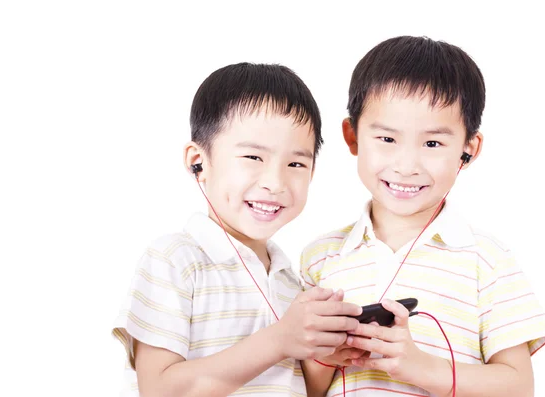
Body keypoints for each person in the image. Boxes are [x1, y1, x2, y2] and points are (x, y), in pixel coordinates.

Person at [300, 36, 545, 397]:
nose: (406, 166)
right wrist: (325, 357)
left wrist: (421, 367)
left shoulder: (487, 259)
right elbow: (302, 388)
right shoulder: (320, 257)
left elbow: (518, 386)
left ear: (469, 148)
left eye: (432, 144)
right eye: (387, 139)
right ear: (353, 136)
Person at [112, 62, 362, 397]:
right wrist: (279, 340)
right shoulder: (175, 260)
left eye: (296, 164)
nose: (275, 182)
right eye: (253, 158)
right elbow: (159, 389)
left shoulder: (293, 282)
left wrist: (323, 359)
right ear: (197, 162)